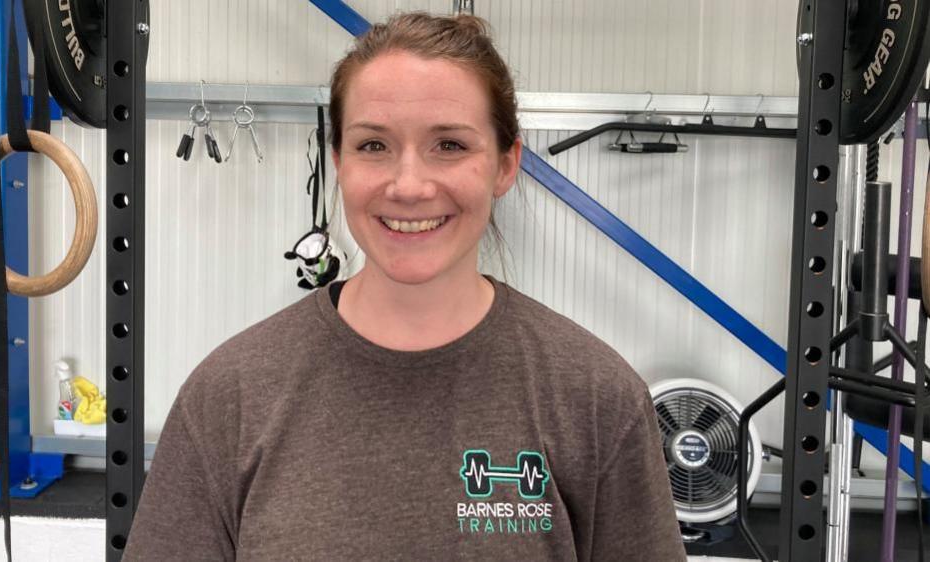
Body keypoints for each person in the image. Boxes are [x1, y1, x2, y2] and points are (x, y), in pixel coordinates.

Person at [123, 12, 685, 561]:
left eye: (450, 145)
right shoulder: (230, 396)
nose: (409, 186)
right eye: (373, 145)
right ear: (338, 160)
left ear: (505, 165)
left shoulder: (596, 397)